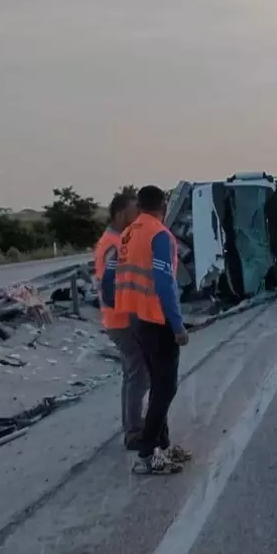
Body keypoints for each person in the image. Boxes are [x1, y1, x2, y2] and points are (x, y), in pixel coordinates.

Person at [115, 185, 192, 475]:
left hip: (134, 318)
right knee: (165, 387)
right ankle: (148, 454)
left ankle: (163, 444)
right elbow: (164, 282)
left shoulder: (129, 234)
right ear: (164, 204)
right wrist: (177, 324)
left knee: (158, 384)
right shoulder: (159, 234)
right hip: (155, 320)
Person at [95, 192, 149, 450]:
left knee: (133, 374)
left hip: (119, 319)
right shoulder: (114, 245)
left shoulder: (115, 240)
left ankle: (132, 426)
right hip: (122, 320)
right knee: (139, 375)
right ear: (119, 215)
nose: (138, 215)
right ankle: (134, 432)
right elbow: (110, 288)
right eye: (133, 211)